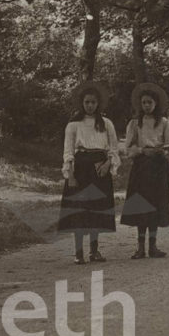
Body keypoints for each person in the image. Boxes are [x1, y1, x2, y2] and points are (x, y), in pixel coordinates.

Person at [59, 81, 120, 264]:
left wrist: (108, 164)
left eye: (93, 102)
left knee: (96, 210)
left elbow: (114, 148)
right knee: (79, 211)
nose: (90, 106)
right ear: (81, 103)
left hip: (99, 169)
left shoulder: (106, 124)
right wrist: (70, 174)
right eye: (87, 102)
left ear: (98, 103)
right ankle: (78, 252)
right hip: (81, 169)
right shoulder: (73, 125)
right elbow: (68, 151)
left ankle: (94, 251)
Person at [120, 82, 169, 259]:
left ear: (156, 104)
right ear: (140, 104)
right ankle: (140, 247)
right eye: (144, 102)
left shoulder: (165, 123)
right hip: (141, 167)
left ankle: (153, 246)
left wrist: (162, 152)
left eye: (150, 102)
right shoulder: (136, 123)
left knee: (155, 205)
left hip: (158, 167)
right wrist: (142, 151)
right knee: (141, 205)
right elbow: (128, 148)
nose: (147, 106)